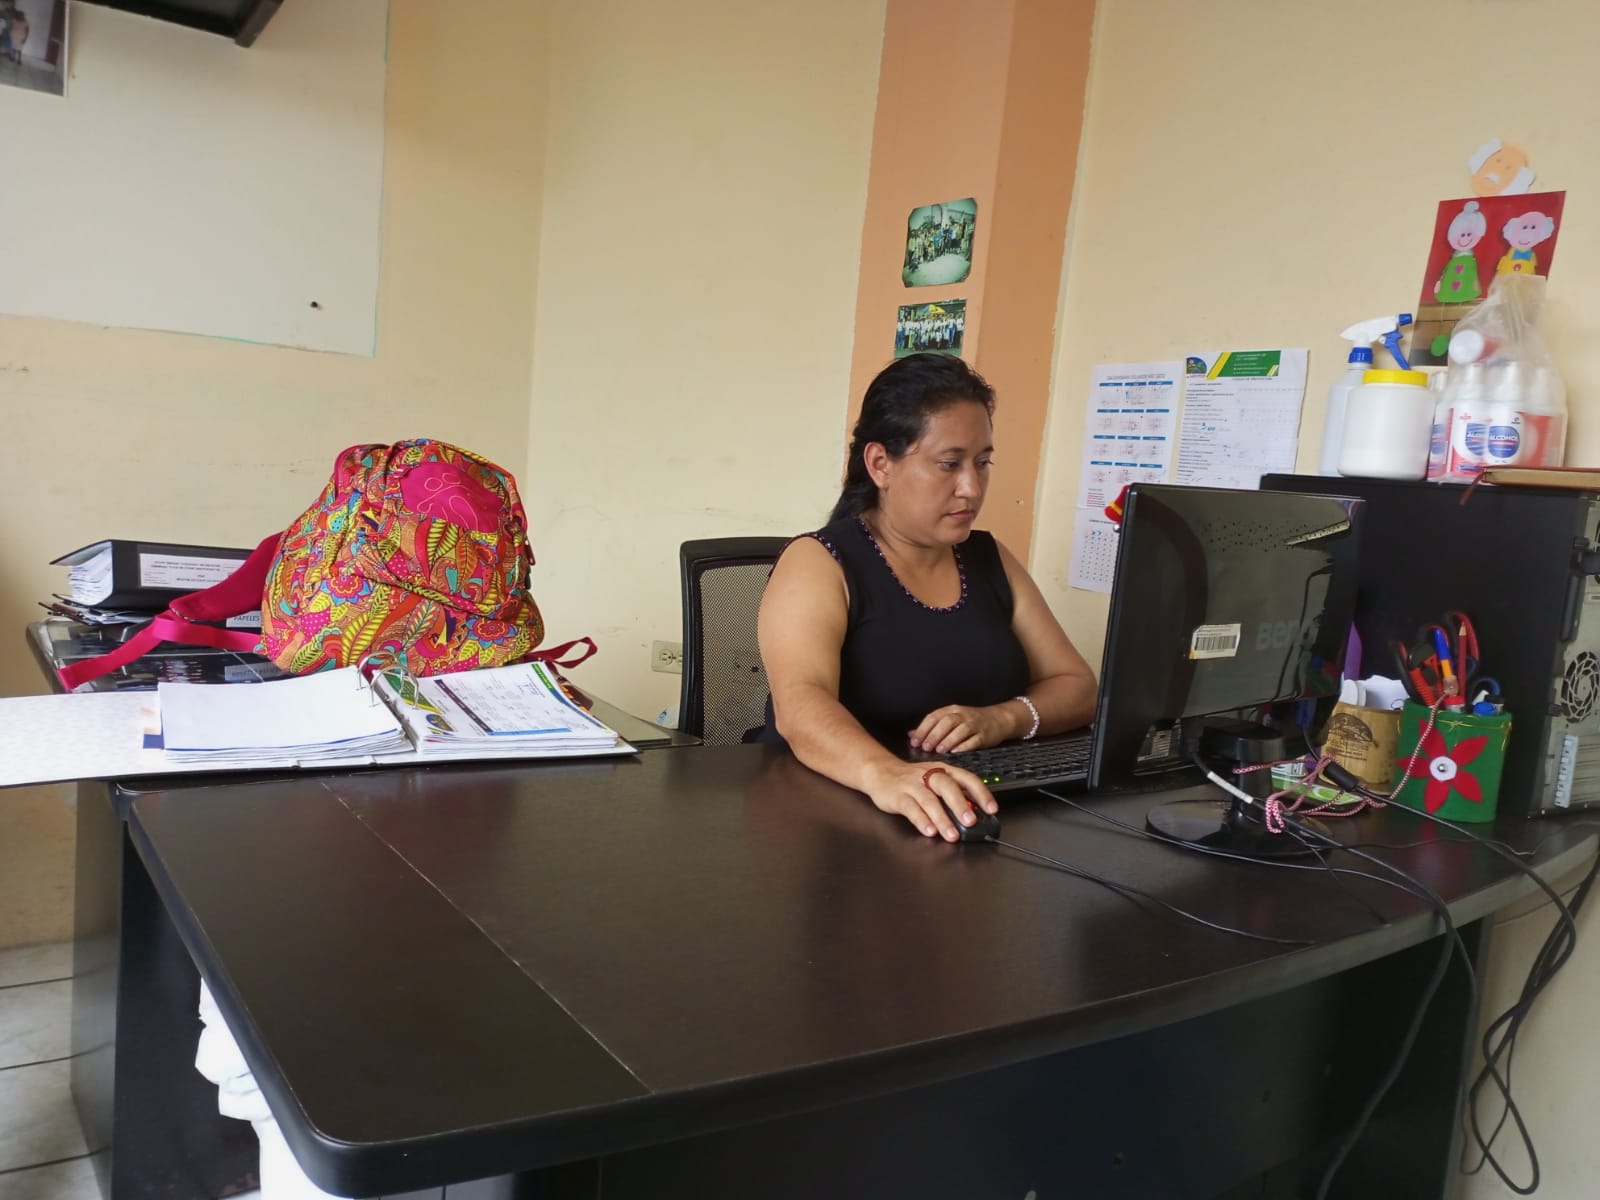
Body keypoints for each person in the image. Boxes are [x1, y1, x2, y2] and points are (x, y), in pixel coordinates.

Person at [758, 354, 1098, 842]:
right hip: (833, 820)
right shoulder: (820, 561)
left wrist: (1003, 718)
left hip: (961, 813)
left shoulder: (989, 558)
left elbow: (1078, 687)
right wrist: (888, 775)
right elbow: (800, 706)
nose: (971, 487)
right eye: (949, 464)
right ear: (880, 464)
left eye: (982, 463)